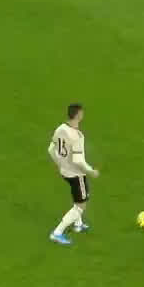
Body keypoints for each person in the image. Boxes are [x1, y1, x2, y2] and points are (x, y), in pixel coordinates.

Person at [47, 102, 99, 245]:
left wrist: (60, 164)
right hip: (76, 175)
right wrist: (91, 171)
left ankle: (78, 224)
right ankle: (57, 233)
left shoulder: (60, 128)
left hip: (64, 171)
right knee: (81, 205)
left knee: (76, 197)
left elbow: (51, 149)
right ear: (79, 115)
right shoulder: (77, 136)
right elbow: (78, 160)